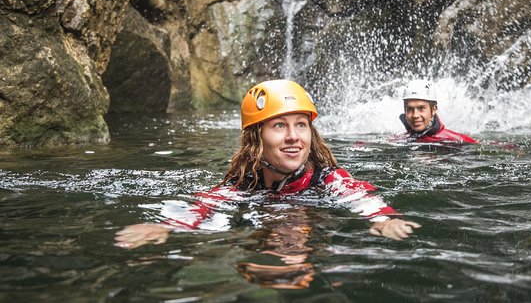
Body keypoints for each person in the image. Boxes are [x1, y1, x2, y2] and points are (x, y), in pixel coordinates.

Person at [115, 79, 420, 249]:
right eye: (279, 126)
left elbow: (359, 194)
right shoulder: (243, 183)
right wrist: (167, 225)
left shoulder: (327, 178)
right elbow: (206, 204)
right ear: (256, 137)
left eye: (301, 125)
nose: (293, 137)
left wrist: (383, 218)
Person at [397, 79, 477, 144]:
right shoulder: (399, 139)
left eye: (421, 108)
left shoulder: (457, 140)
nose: (415, 115)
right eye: (410, 109)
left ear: (434, 109)